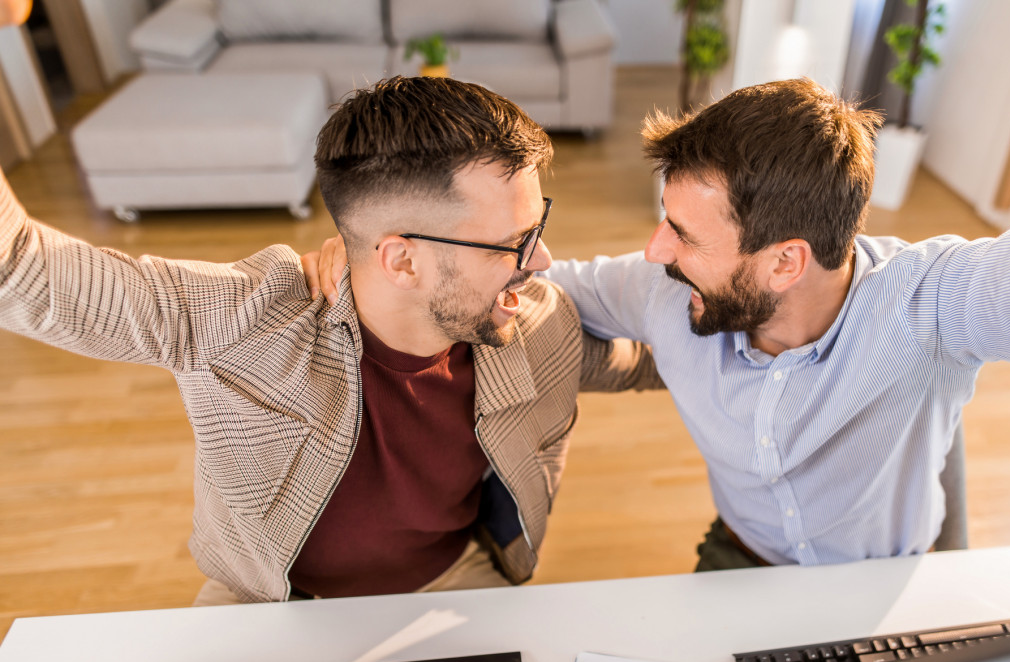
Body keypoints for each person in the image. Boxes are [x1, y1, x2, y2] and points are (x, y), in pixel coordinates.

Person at [308, 78, 1010, 573]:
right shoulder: (663, 288)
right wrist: (375, 254)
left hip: (894, 576)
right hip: (742, 556)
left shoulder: (931, 303)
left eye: (685, 235)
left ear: (784, 261)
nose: (654, 249)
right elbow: (532, 282)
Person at [0, 75, 658, 605]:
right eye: (514, 243)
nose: (542, 261)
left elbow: (648, 361)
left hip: (453, 581)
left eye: (537, 227)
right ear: (401, 260)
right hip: (268, 600)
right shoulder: (241, 320)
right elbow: (20, 271)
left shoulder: (537, 326)